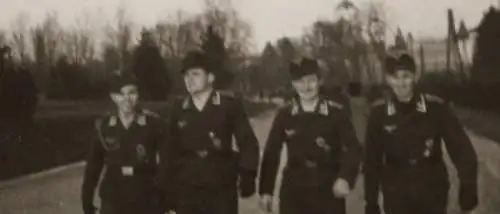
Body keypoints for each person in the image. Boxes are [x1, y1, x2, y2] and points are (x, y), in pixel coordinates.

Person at [363, 54, 478, 214]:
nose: (401, 83)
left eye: (406, 76)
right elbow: (371, 161)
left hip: (432, 190)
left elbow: (461, 148)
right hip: (396, 192)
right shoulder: (379, 114)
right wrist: (371, 202)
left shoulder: (436, 108)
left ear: (415, 77)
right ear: (388, 80)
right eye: (394, 77)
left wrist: (468, 186)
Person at [258, 58, 362, 214]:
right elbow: (272, 152)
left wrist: (345, 177)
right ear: (293, 84)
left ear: (319, 81)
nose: (306, 87)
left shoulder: (336, 113)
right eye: (300, 82)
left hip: (328, 190)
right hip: (294, 193)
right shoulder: (285, 114)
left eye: (311, 81)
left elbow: (353, 147)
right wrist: (266, 191)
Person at [161, 51, 260, 214]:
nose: (189, 79)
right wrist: (166, 188)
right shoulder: (178, 108)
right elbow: (169, 150)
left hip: (220, 186)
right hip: (187, 187)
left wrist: (248, 174)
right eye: (186, 75)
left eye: (195, 74)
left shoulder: (229, 106)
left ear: (211, 77)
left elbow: (247, 142)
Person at [81, 75, 166, 214]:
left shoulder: (153, 124)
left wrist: (166, 198)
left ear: (138, 95)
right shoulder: (104, 126)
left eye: (132, 92)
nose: (127, 99)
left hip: (145, 196)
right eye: (121, 94)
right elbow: (93, 166)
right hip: (114, 197)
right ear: (113, 97)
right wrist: (86, 197)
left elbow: (166, 163)